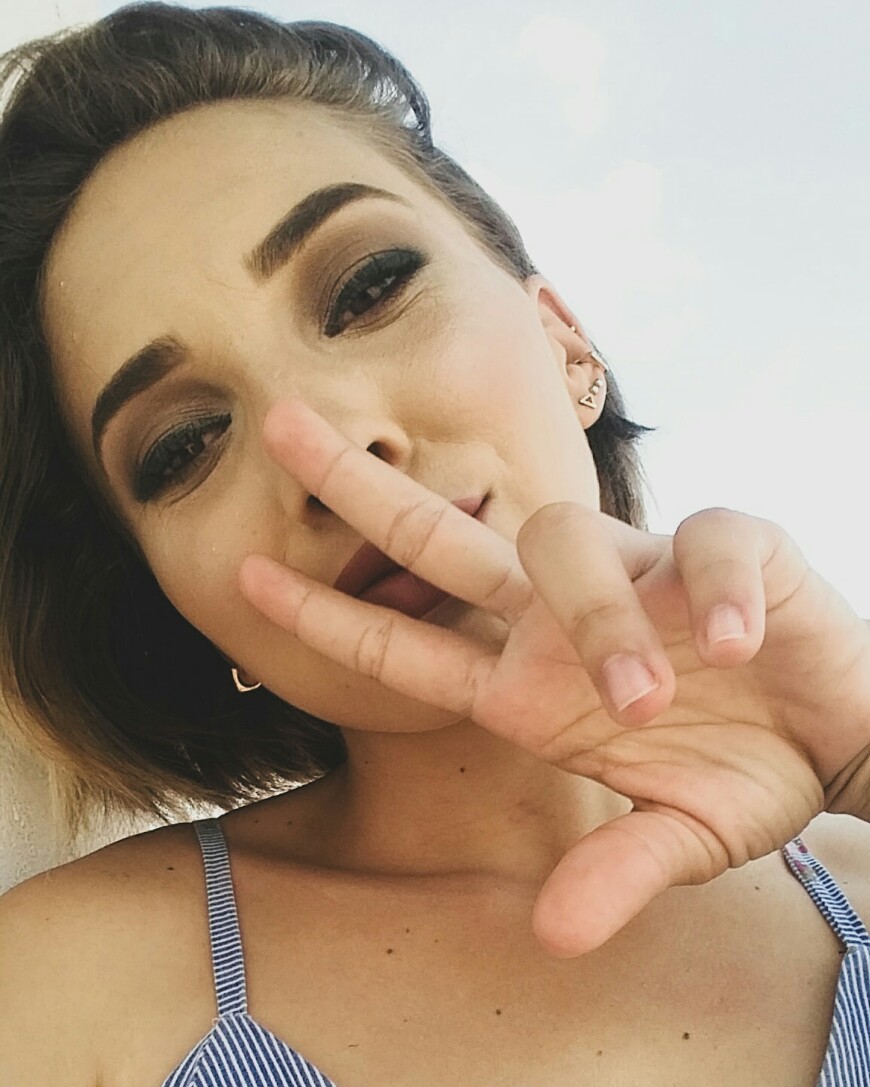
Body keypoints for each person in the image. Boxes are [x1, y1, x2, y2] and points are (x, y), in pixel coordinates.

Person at [0, 4, 868, 1085]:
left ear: (566, 343)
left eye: (368, 289)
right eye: (185, 444)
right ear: (170, 594)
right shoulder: (60, 989)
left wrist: (856, 755)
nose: (327, 452)